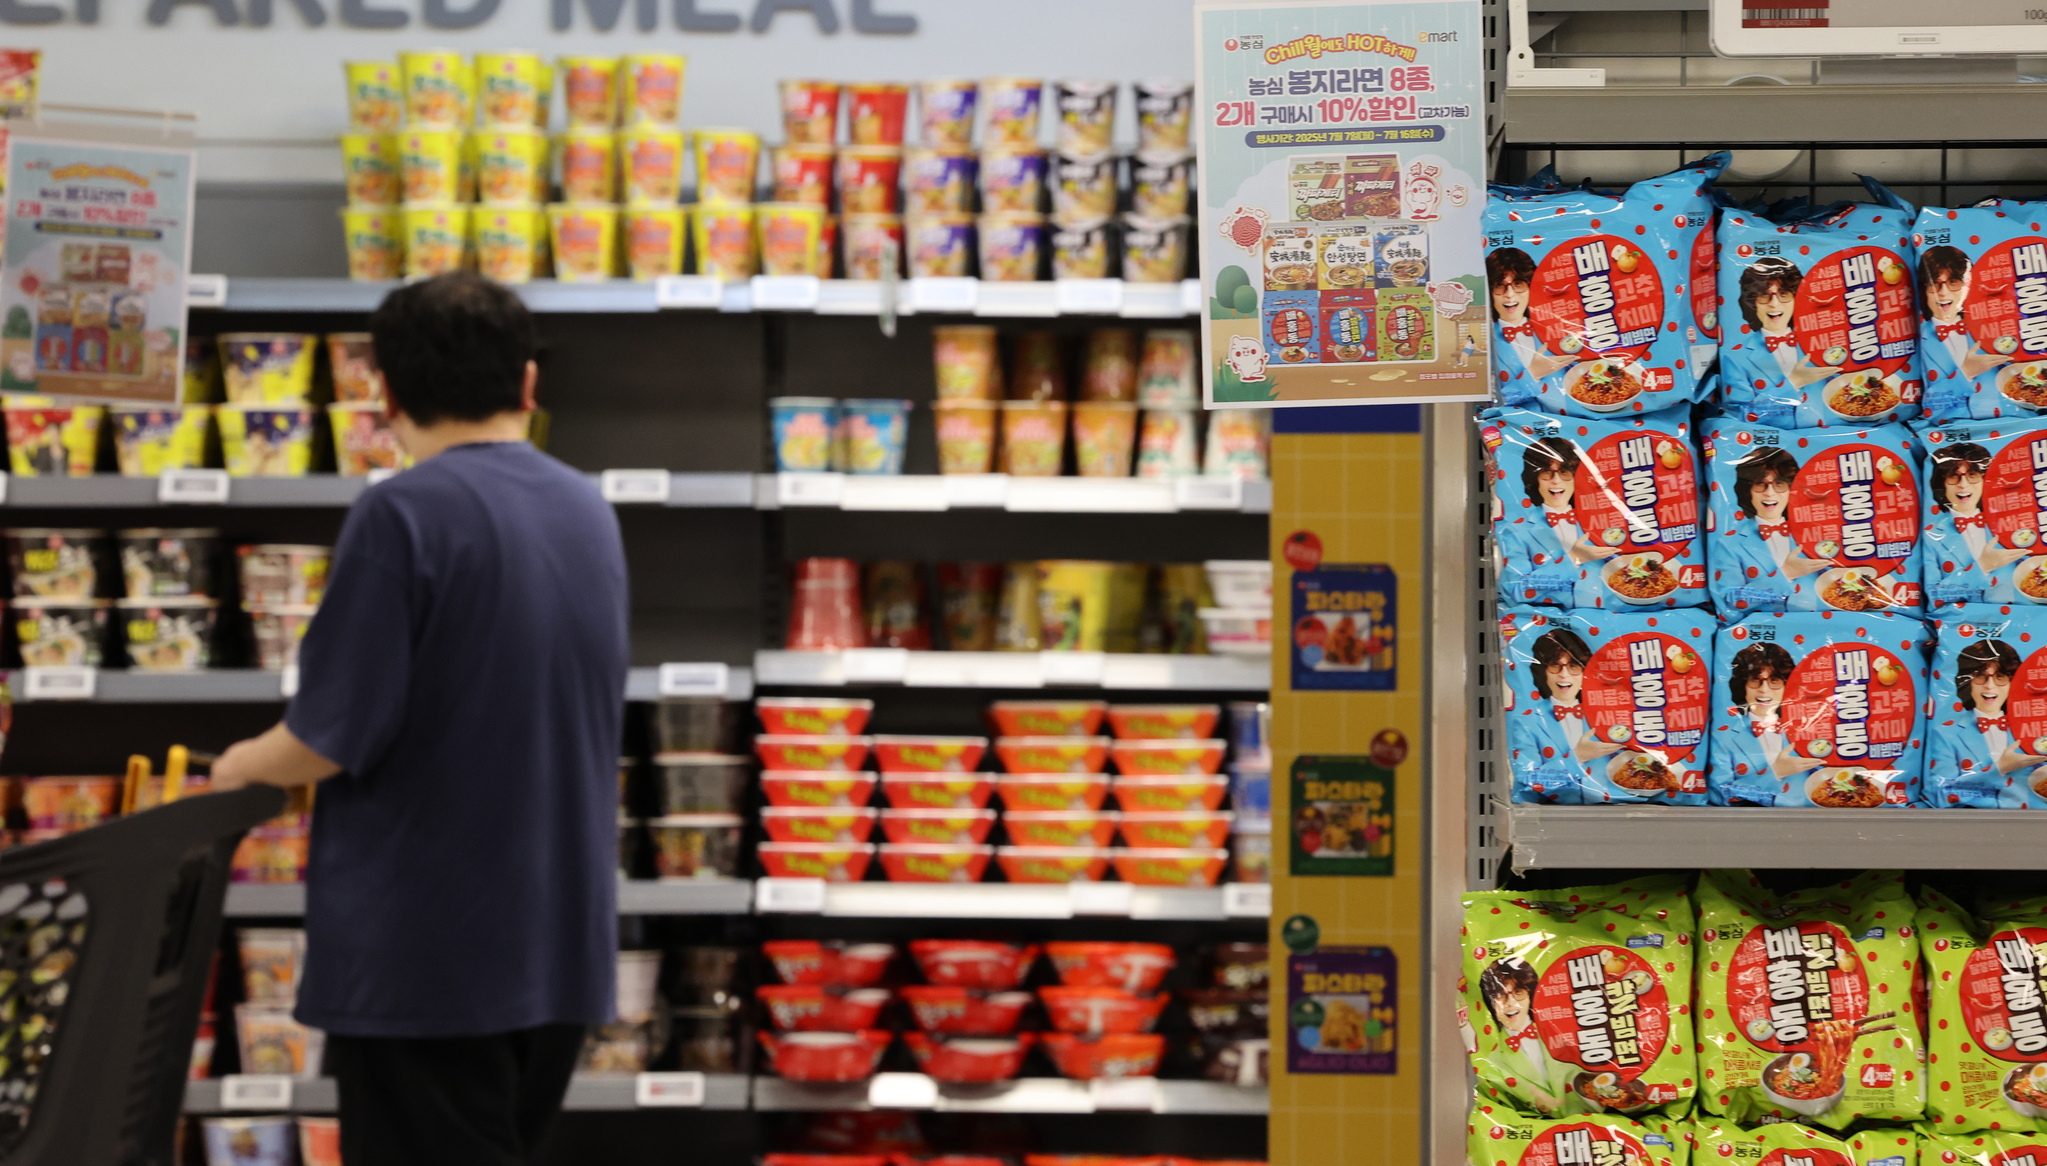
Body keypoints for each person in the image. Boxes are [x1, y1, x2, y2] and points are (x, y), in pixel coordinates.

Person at [209, 272, 631, 1166]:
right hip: (557, 942)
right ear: (527, 384)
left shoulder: (401, 513)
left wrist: (241, 770)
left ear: (384, 394)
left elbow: (328, 735)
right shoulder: (585, 510)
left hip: (431, 953)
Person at [1714, 447, 1831, 611]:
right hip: (1760, 632)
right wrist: (1786, 574)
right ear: (1748, 491)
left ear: (1791, 489)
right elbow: (1730, 602)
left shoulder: (1815, 532)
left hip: (1818, 626)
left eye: (1779, 484)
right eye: (1760, 484)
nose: (1770, 493)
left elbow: (1836, 581)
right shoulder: (1729, 543)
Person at [1934, 637, 2047, 806]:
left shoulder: (2033, 728)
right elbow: (1938, 796)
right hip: (1967, 826)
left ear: (2012, 683)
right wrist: (2000, 768)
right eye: (1980, 676)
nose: (1990, 686)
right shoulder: (1945, 734)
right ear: (1967, 682)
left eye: (2000, 676)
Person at [1712, 641, 1823, 805]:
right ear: (1743, 685)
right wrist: (1776, 771)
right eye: (1755, 679)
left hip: (1810, 823)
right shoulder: (1723, 737)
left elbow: (1828, 780)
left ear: (1787, 686)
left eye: (1775, 680)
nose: (1764, 689)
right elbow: (1719, 795)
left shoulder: (1807, 729)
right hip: (1747, 826)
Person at [1925, 440, 2027, 602]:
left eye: (1972, 475)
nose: (1963, 485)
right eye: (1954, 476)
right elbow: (1933, 597)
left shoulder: (2011, 521)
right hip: (1959, 624)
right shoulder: (1930, 535)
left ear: (1985, 480)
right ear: (1942, 483)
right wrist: (1982, 566)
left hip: (2022, 618)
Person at [1737, 257, 1837, 389]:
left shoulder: (1824, 342)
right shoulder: (1736, 358)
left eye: (1783, 293)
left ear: (1797, 297)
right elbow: (1739, 407)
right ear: (1752, 302)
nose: (1774, 304)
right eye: (1763, 295)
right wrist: (1794, 382)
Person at [1488, 247, 1568, 396]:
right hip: (1515, 419)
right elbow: (1491, 402)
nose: (1510, 295)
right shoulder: (1485, 342)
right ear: (1490, 292)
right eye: (1500, 285)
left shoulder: (1555, 327)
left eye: (1518, 284)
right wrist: (1533, 373)